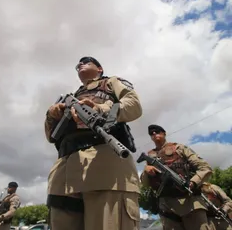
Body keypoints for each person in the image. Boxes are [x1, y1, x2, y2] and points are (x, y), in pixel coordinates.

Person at [45, 56, 143, 230]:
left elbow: (134, 105)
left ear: (100, 69)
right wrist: (52, 114)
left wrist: (100, 109)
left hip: (104, 162)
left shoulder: (111, 82)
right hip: (64, 169)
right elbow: (51, 136)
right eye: (78, 64)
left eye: (87, 61)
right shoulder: (71, 97)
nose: (81, 64)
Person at [140, 124, 213, 230]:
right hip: (167, 207)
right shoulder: (150, 156)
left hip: (190, 201)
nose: (154, 134)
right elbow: (145, 184)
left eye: (157, 131)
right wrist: (146, 171)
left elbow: (205, 168)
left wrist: (192, 182)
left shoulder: (179, 148)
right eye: (151, 133)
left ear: (164, 133)